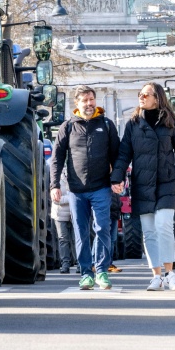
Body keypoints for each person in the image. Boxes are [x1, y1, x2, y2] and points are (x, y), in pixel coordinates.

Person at [111, 82, 175, 292]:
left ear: (157, 98)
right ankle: (156, 276)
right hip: (142, 184)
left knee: (164, 225)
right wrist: (116, 178)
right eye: (140, 94)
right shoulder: (133, 124)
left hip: (167, 183)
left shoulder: (171, 122)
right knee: (149, 231)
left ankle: (170, 274)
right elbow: (124, 154)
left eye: (146, 95)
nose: (141, 97)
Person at [51, 85, 120, 290]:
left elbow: (117, 156)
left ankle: (102, 271)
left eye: (91, 99)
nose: (89, 104)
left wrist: (117, 179)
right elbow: (57, 158)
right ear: (77, 103)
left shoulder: (106, 125)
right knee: (80, 232)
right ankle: (86, 273)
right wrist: (55, 185)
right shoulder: (68, 127)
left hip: (101, 187)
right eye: (85, 100)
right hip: (76, 190)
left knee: (102, 229)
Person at [50, 165, 75, 274]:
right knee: (63, 239)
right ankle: (65, 264)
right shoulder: (56, 180)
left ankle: (80, 263)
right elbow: (56, 199)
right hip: (60, 214)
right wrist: (71, 198)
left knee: (77, 239)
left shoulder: (75, 177)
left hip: (74, 213)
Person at [108, 191, 123, 273]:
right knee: (107, 239)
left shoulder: (115, 188)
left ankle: (109, 263)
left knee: (112, 240)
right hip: (108, 214)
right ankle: (104, 263)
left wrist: (119, 204)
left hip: (115, 214)